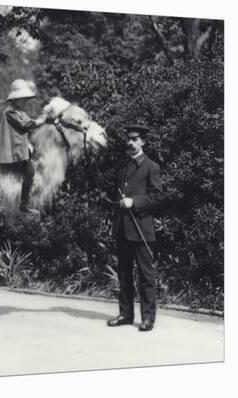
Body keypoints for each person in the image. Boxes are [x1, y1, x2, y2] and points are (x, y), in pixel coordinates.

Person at [95, 124, 164, 332]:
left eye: (135, 139)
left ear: (143, 141)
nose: (130, 142)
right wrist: (93, 158)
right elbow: (102, 181)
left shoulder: (151, 167)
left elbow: (158, 196)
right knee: (124, 274)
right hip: (122, 229)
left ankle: (148, 318)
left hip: (141, 229)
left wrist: (134, 202)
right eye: (129, 139)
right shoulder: (122, 165)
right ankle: (125, 314)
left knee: (145, 276)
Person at [0, 79, 45, 214]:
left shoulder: (19, 111)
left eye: (25, 100)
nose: (24, 102)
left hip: (19, 148)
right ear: (15, 99)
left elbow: (27, 122)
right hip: (13, 150)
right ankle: (23, 204)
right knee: (28, 172)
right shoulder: (10, 112)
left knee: (28, 173)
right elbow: (25, 124)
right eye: (22, 99)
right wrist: (40, 121)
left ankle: (23, 202)